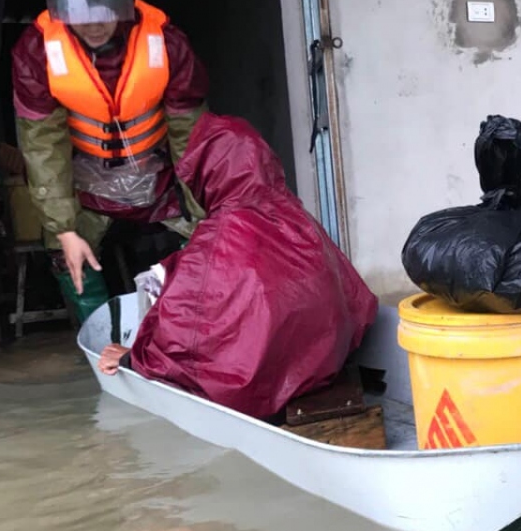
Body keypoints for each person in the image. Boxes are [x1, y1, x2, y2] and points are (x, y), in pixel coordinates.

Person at [96, 114, 378, 421]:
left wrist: (134, 360)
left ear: (204, 176)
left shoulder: (217, 241)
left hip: (262, 393)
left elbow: (183, 343)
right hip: (323, 370)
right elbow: (358, 302)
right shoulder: (301, 220)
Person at [12, 0, 208, 322]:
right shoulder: (37, 50)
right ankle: (103, 345)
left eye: (102, 10)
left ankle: (188, 332)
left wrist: (204, 214)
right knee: (65, 251)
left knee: (209, 240)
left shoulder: (166, 42)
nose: (94, 23)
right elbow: (42, 146)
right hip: (87, 183)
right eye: (80, 13)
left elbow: (192, 136)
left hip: (161, 178)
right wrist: (65, 230)